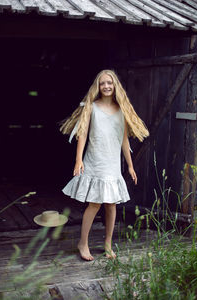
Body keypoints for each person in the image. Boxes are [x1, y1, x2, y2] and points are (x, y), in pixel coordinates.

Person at [60, 70, 149, 261]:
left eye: (109, 82)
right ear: (98, 87)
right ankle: (83, 243)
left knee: (111, 205)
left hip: (112, 164)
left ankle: (107, 244)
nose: (106, 86)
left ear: (115, 85)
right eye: (102, 83)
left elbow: (124, 140)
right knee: (94, 203)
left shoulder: (121, 110)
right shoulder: (91, 108)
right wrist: (78, 159)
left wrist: (131, 166)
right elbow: (82, 134)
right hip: (95, 161)